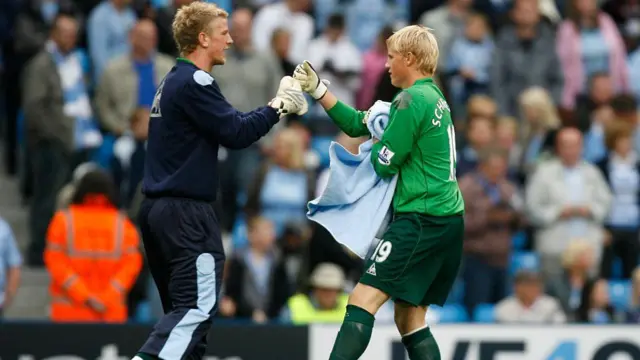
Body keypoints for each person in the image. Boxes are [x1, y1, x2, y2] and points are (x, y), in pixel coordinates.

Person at [133, 3, 308, 360]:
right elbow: (237, 131)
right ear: (202, 38)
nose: (229, 40)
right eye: (223, 33)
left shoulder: (171, 80)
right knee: (196, 310)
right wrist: (277, 106)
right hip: (186, 214)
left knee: (186, 321)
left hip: (160, 211)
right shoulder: (196, 80)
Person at [294, 24, 465, 360]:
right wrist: (319, 91)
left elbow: (385, 162)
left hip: (421, 220)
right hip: (447, 222)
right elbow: (360, 122)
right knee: (409, 318)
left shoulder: (410, 99)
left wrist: (377, 142)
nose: (386, 65)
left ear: (410, 59)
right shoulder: (433, 97)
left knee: (362, 299)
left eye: (391, 57)